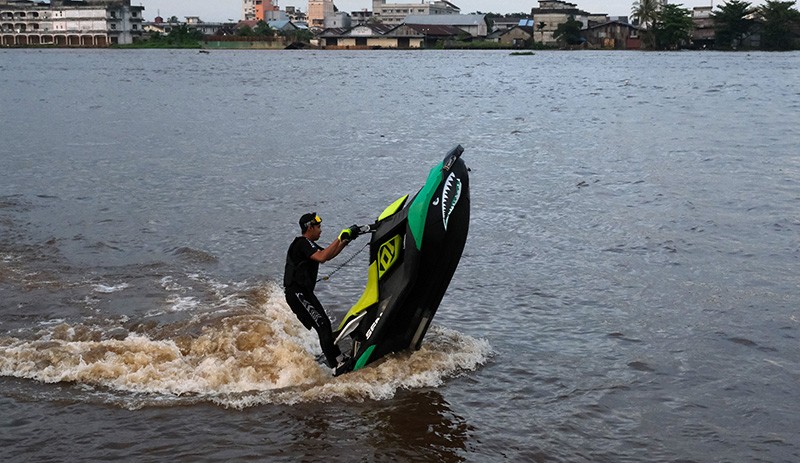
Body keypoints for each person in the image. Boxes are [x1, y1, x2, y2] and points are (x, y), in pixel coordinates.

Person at [284, 212, 360, 375]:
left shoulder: (309, 244)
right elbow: (322, 257)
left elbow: (328, 255)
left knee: (324, 324)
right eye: (318, 227)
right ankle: (336, 366)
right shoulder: (302, 243)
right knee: (323, 326)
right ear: (309, 228)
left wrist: (346, 240)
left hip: (304, 293)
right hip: (297, 293)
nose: (321, 230)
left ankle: (339, 359)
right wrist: (339, 237)